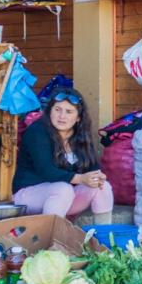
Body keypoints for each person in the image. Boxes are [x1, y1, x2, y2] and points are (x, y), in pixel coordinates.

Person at [13, 88, 113, 222]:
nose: (62, 116)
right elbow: (46, 170)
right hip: (28, 196)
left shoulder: (80, 135)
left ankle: (105, 237)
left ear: (78, 118)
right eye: (57, 110)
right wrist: (81, 179)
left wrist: (97, 177)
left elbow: (92, 166)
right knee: (63, 188)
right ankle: (52, 238)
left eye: (69, 111)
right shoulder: (37, 132)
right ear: (49, 112)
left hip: (64, 198)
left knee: (103, 186)